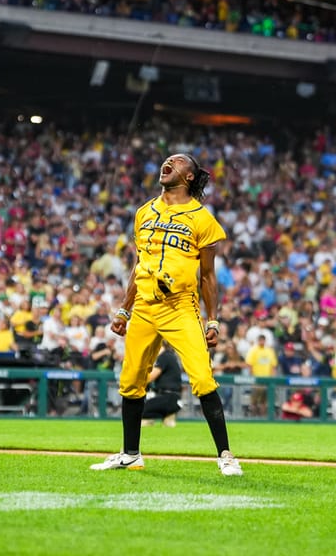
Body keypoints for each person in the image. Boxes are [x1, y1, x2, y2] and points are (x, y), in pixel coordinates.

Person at [90, 153, 243, 476]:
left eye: (177, 162)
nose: (167, 163)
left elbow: (208, 276)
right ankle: (130, 453)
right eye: (166, 160)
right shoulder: (144, 212)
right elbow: (139, 265)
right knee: (131, 382)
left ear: (189, 177)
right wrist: (124, 308)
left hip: (180, 307)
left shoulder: (202, 218)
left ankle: (226, 455)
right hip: (144, 305)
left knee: (202, 378)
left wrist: (212, 319)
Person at [141, 346, 183, 428]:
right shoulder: (171, 356)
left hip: (167, 398)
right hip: (174, 398)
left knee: (141, 410)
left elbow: (151, 377)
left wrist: (137, 380)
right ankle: (169, 418)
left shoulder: (163, 357)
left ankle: (153, 420)